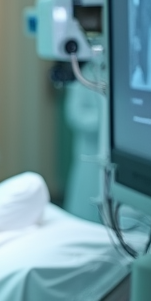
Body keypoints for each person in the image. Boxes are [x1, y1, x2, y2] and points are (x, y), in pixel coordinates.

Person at [64, 61, 104, 222]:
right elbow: (75, 114)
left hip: (119, 155)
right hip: (90, 155)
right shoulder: (86, 72)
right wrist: (107, 120)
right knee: (85, 213)